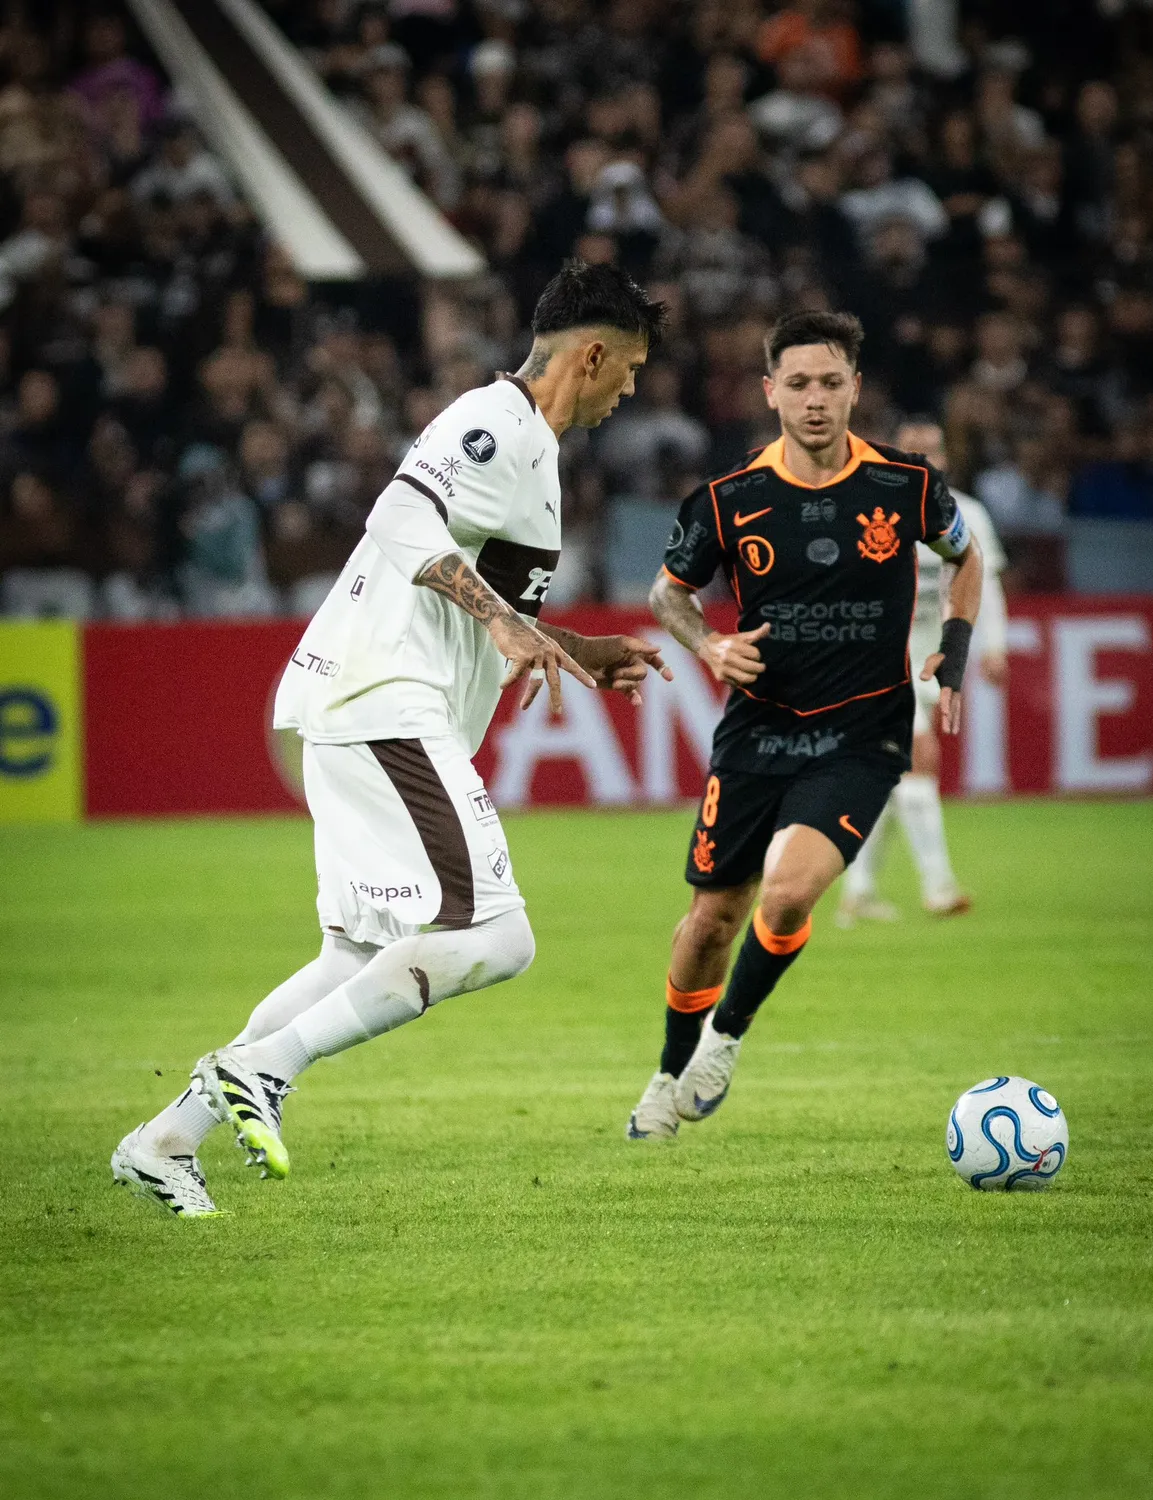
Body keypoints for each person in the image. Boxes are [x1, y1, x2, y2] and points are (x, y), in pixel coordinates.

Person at [112, 260, 672, 1216]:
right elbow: (401, 514)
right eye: (630, 370)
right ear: (592, 355)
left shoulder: (531, 447)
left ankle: (165, 1141)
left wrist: (561, 640)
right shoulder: (494, 425)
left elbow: (473, 587)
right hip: (383, 703)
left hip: (364, 705)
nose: (631, 390)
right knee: (497, 934)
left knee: (352, 954)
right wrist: (502, 623)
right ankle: (263, 1072)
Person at [626, 310, 983, 1140]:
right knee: (713, 918)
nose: (815, 400)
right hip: (758, 731)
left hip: (864, 732)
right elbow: (666, 594)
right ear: (770, 392)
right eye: (798, 384)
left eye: (830, 383)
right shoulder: (728, 499)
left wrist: (954, 648)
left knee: (787, 894)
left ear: (855, 389)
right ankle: (667, 1070)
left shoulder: (908, 484)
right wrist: (709, 646)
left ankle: (727, 1038)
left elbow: (964, 558)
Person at [837, 418, 1008, 923]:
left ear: (946, 457)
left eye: (931, 451)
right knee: (919, 758)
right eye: (913, 450)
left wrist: (992, 645)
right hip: (878, 660)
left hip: (931, 658)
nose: (924, 459)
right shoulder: (870, 510)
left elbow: (985, 582)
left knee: (890, 777)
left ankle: (858, 891)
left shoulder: (967, 512)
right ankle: (938, 887)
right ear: (893, 454)